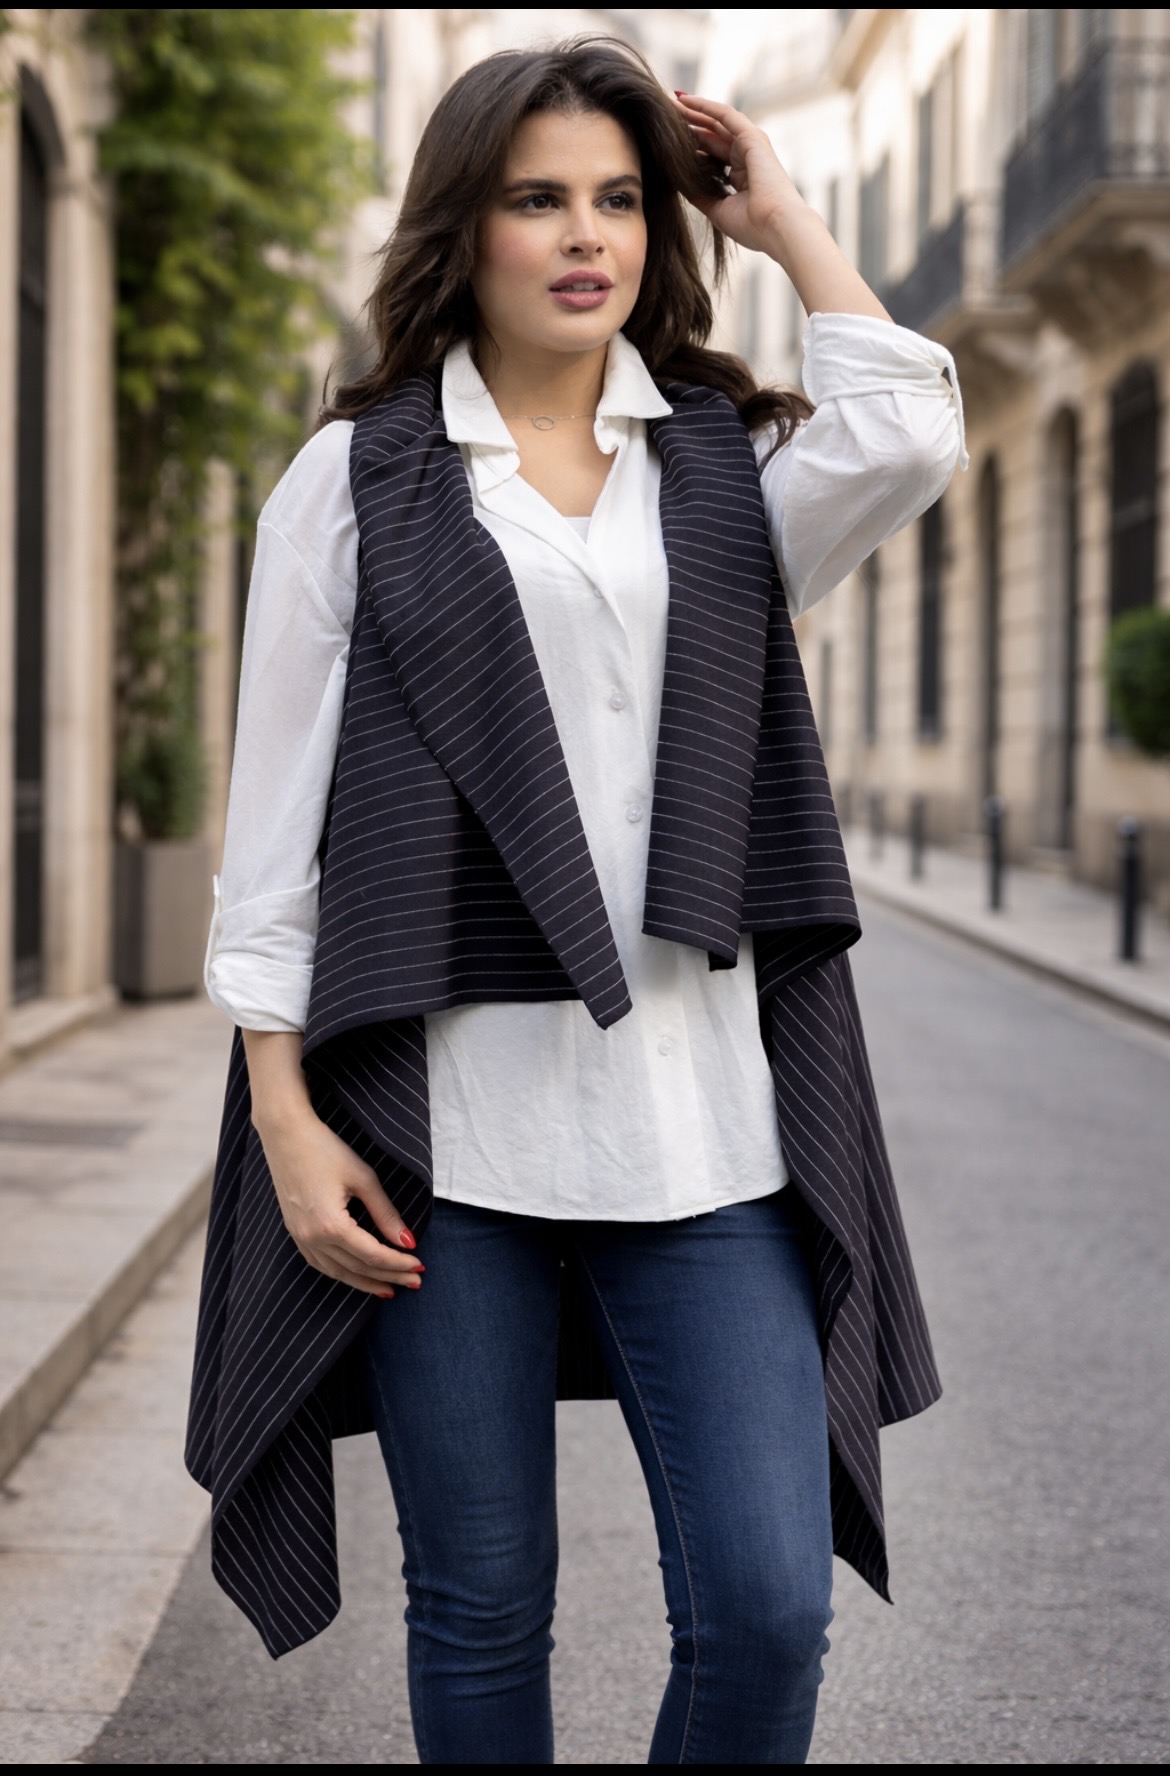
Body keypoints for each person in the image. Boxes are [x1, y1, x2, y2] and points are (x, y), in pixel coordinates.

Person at [189, 37, 964, 1766]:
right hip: (444, 1144)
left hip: (703, 1137)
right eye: (536, 198)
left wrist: (782, 218)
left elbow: (906, 432)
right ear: (461, 227)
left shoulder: (724, 470)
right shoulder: (356, 482)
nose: (585, 234)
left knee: (764, 1608)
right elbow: (274, 837)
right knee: (478, 1606)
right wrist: (286, 1122)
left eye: (617, 198)